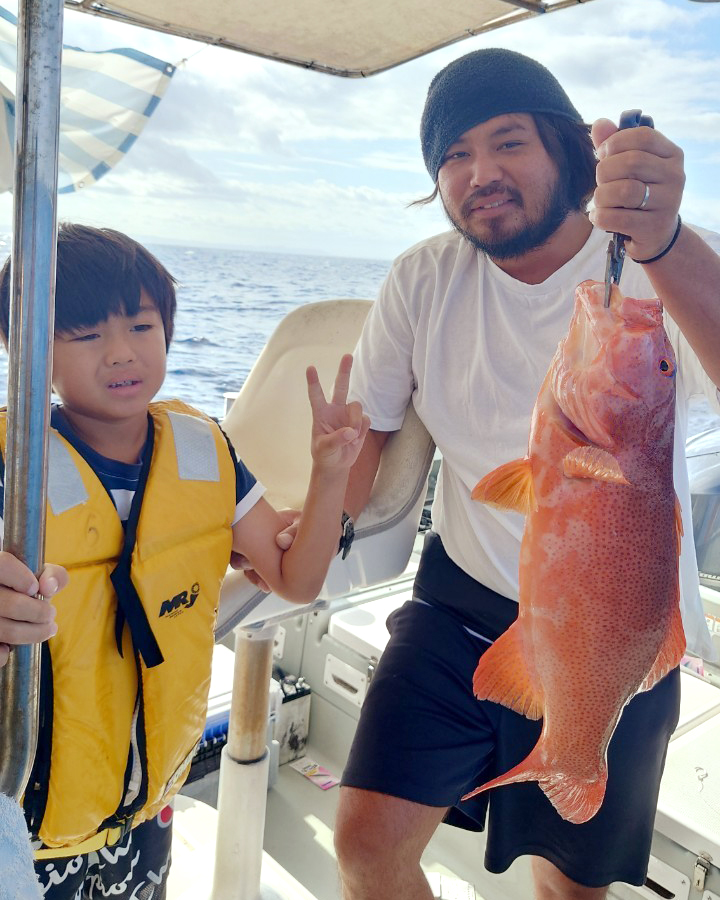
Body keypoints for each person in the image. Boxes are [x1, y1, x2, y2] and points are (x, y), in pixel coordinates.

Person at [329, 48, 720, 900]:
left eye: (508, 143)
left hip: (623, 629)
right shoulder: (422, 278)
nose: (480, 174)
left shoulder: (661, 264)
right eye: (454, 156)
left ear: (569, 151)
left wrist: (667, 243)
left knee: (569, 888)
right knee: (365, 844)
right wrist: (312, 514)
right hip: (463, 602)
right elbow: (366, 449)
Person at [0, 222, 369, 899]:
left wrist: (329, 475)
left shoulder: (206, 450)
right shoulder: (11, 470)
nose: (120, 354)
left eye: (141, 326)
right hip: (26, 832)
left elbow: (297, 577)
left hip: (148, 812)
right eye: (84, 335)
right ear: (26, 350)